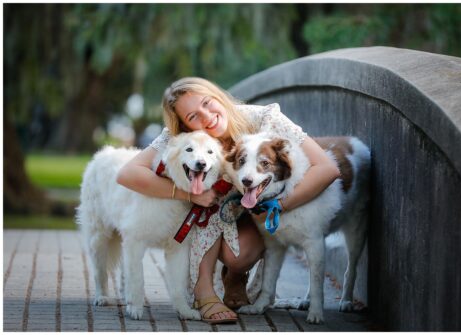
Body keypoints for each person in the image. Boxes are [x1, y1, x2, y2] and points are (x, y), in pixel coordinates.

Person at [116, 77, 340, 323]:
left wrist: (280, 206)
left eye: (207, 103)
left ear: (218, 95)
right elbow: (128, 173)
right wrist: (188, 194)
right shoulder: (182, 137)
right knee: (206, 202)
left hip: (260, 210)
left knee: (239, 256)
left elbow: (327, 168)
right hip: (214, 212)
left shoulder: (265, 119)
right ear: (186, 126)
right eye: (193, 117)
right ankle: (205, 291)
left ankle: (236, 274)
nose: (206, 116)